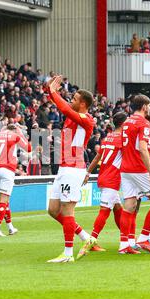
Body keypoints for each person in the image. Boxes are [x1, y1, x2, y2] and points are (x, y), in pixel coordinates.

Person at [46, 75, 95, 263]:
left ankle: (67, 254)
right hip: (64, 168)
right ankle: (85, 237)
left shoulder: (86, 119)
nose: (70, 101)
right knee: (53, 210)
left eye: (74, 99)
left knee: (67, 211)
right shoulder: (73, 116)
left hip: (74, 169)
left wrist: (53, 92)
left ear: (82, 104)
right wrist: (50, 90)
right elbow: (64, 106)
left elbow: (64, 107)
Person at [77, 112, 128, 259]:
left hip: (104, 175)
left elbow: (98, 157)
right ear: (124, 124)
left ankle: (127, 238)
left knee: (118, 209)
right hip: (112, 178)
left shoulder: (108, 138)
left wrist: (88, 172)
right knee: (104, 211)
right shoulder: (123, 140)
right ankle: (91, 241)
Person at [119, 94, 150, 254]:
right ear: (144, 106)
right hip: (139, 169)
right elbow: (142, 148)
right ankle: (144, 237)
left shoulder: (126, 122)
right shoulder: (143, 123)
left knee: (129, 207)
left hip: (125, 170)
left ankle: (124, 244)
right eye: (149, 106)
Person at [0, 123, 31, 237]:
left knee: (4, 200)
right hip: (8, 169)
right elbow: (29, 148)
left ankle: (10, 227)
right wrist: (20, 132)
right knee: (4, 199)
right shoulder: (15, 136)